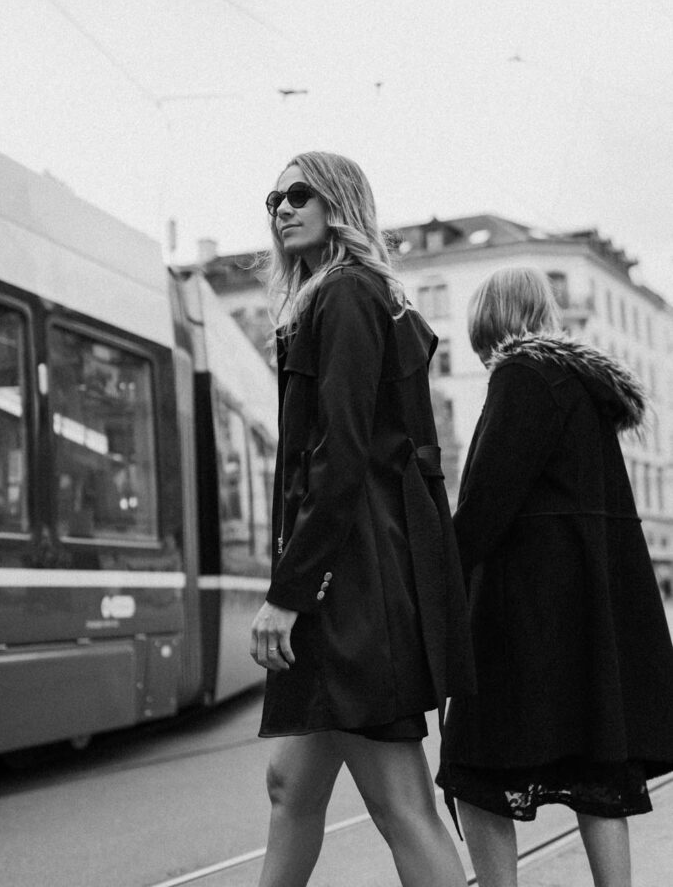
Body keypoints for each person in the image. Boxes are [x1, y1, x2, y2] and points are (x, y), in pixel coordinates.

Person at [250, 151, 475, 887]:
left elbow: (339, 455)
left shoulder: (344, 295)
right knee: (291, 786)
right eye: (274, 197)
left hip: (347, 588)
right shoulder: (337, 295)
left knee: (399, 802)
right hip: (352, 578)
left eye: (299, 193)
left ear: (339, 201)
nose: (283, 207)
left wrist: (290, 591)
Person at [440, 266, 673, 887]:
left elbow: (486, 501)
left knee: (474, 768)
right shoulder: (581, 389)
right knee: (598, 776)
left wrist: (436, 585)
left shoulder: (520, 375)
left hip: (523, 618)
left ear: (488, 318)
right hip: (587, 620)